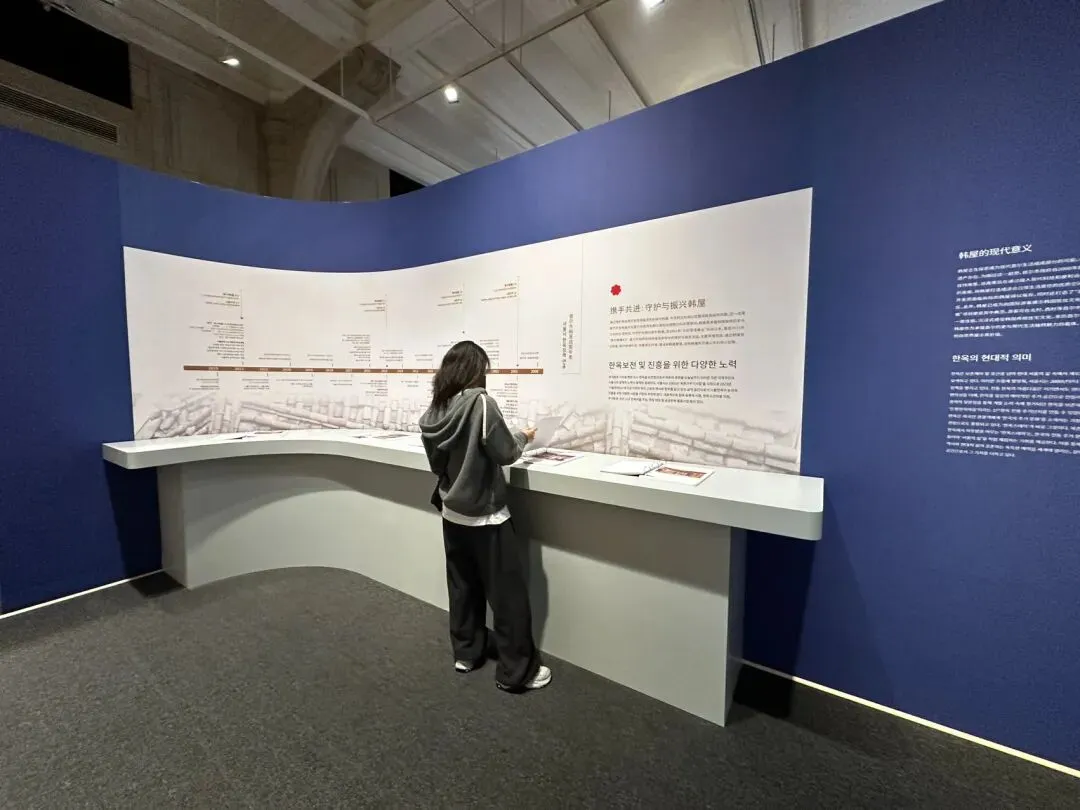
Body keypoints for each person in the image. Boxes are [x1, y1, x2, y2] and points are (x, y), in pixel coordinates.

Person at [419, 340, 551, 692]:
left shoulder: (438, 407)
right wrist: (524, 436)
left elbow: (437, 462)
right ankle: (515, 673)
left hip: (452, 513)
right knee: (508, 597)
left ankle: (466, 653)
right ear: (477, 370)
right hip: (486, 517)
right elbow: (505, 452)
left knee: (462, 587)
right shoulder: (481, 403)